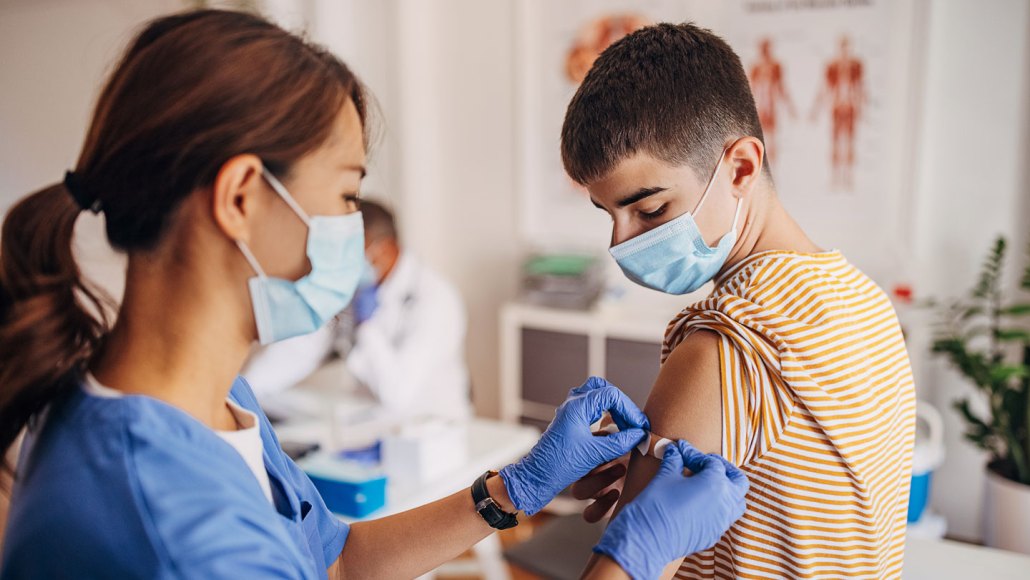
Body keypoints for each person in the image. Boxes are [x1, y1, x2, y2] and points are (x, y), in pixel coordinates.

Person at [0, 11, 748, 579]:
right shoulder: (176, 528)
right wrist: (633, 556)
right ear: (239, 200)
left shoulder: (222, 405)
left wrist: (511, 492)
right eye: (348, 195)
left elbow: (337, 560)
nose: (355, 232)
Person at [562, 23, 915, 578]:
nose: (619, 242)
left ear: (741, 168)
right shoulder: (861, 297)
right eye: (610, 215)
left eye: (649, 210)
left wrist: (631, 544)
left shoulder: (727, 342)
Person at [242, 199, 471, 420]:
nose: (344, 261)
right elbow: (303, 347)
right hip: (373, 426)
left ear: (385, 248)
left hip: (434, 430)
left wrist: (367, 327)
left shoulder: (435, 298)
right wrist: (243, 388)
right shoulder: (357, 291)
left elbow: (397, 393)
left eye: (352, 251)